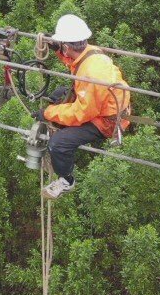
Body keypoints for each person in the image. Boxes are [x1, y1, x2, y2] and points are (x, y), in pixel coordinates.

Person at [35, 15, 130, 199]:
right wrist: (58, 50)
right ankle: (56, 119)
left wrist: (48, 113)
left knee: (59, 144)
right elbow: (75, 62)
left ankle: (66, 180)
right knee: (58, 95)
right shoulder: (91, 52)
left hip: (104, 122)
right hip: (100, 104)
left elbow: (81, 113)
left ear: (68, 46)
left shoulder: (91, 74)